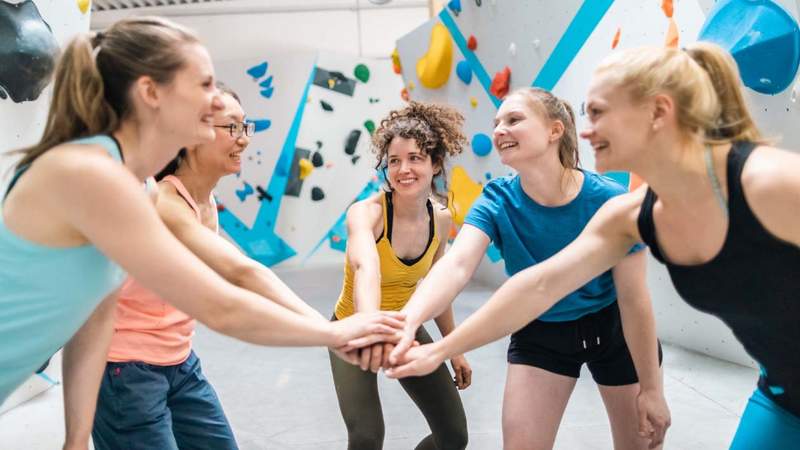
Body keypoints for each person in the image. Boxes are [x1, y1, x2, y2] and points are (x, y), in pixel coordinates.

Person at [0, 17, 402, 450]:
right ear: (151, 93)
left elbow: (97, 315)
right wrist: (336, 335)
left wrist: (76, 438)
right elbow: (221, 307)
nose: (216, 102)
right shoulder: (96, 175)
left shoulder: (138, 186)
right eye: (205, 84)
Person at [384, 43, 800, 448]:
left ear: (658, 112)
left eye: (598, 112)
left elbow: (633, 301)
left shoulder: (769, 184)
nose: (585, 129)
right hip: (782, 397)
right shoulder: (632, 216)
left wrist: (650, 388)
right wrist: (436, 346)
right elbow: (539, 286)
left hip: (622, 339)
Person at [380, 88, 667, 449]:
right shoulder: (497, 199)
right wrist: (406, 321)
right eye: (497, 123)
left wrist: (652, 390)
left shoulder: (610, 200)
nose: (500, 130)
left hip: (615, 332)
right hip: (541, 333)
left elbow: (634, 300)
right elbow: (455, 266)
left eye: (514, 120)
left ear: (554, 130)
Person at [329, 101, 471, 450]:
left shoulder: (440, 219)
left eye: (415, 158)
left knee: (453, 437)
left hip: (404, 325)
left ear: (435, 164)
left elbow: (439, 289)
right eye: (394, 161)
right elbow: (366, 268)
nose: (403, 169)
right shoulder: (367, 214)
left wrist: (453, 348)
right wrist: (369, 328)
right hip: (353, 327)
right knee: (366, 437)